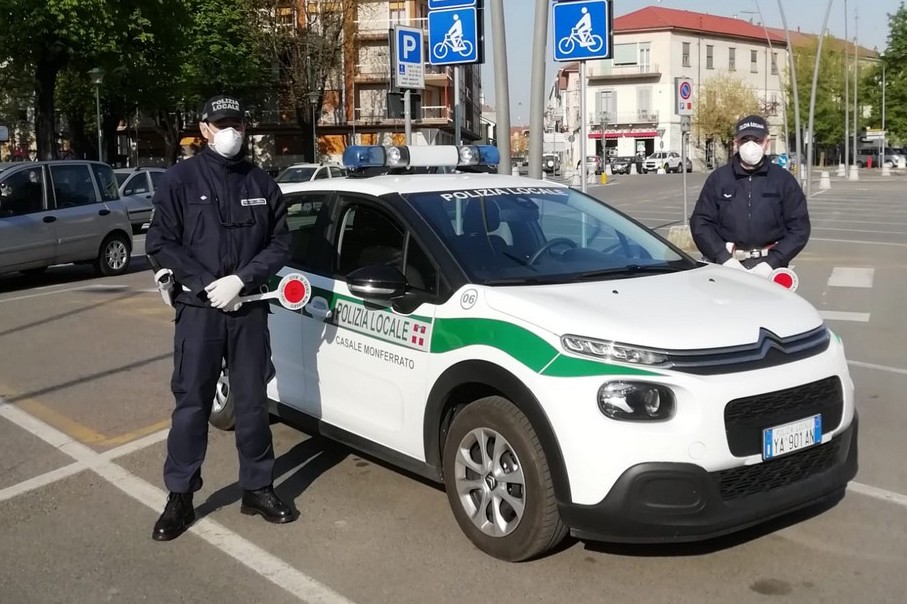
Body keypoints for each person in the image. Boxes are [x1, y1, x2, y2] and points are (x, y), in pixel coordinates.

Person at [145, 94, 294, 542]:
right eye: (223, 123)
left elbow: (281, 244)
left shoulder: (261, 182)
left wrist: (242, 281)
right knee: (192, 405)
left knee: (251, 404)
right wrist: (208, 282)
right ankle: (180, 496)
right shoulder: (179, 180)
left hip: (247, 309)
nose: (233, 131)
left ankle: (258, 487)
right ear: (205, 129)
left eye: (238, 123)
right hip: (199, 311)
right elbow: (160, 242)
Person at [690, 114, 810, 278]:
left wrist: (773, 261)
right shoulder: (719, 179)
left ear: (767, 143)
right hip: (726, 265)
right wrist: (724, 258)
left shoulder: (783, 180)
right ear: (736, 143)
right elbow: (701, 223)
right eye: (745, 139)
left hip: (770, 267)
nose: (751, 145)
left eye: (757, 140)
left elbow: (799, 228)